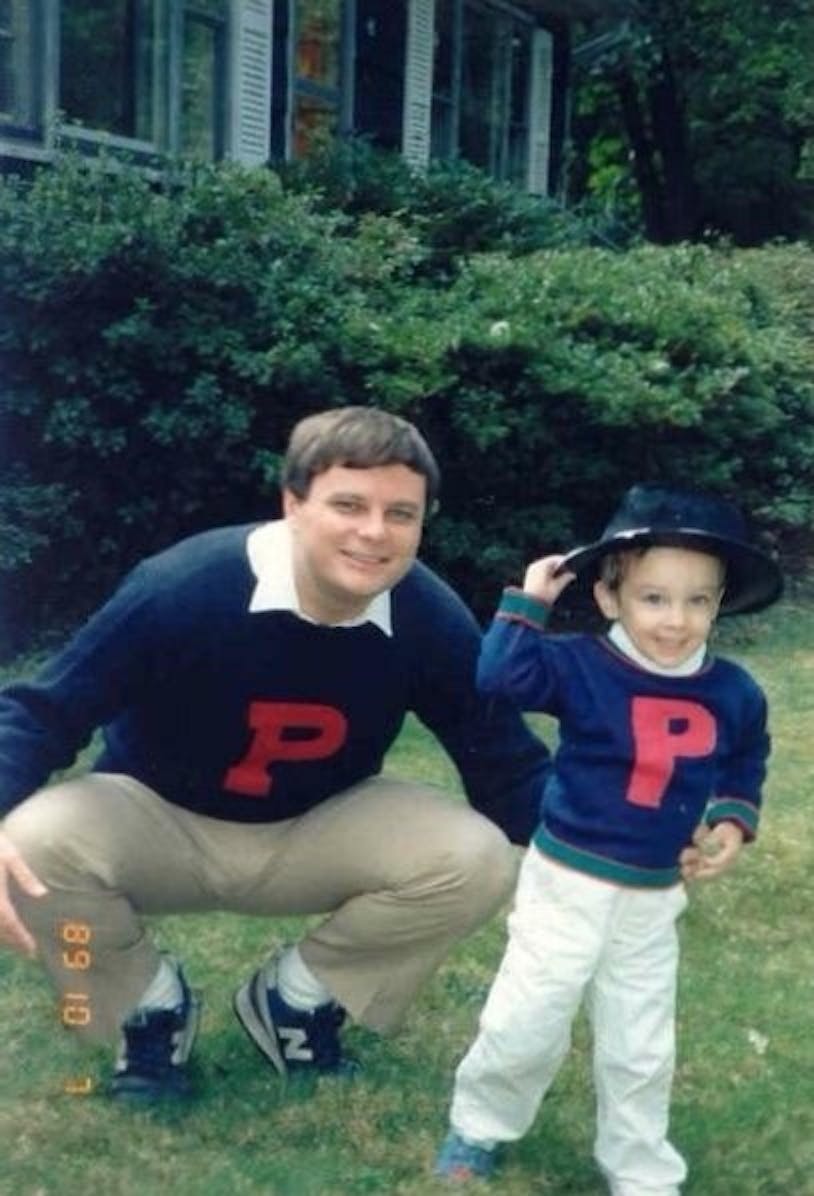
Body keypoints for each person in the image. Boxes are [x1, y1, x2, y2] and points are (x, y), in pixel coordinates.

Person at [0, 405, 550, 1101]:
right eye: (348, 504)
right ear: (293, 503)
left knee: (473, 857)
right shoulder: (184, 588)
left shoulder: (425, 616)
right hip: (156, 818)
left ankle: (296, 998)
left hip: (315, 826)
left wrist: (625, 840)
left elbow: (506, 763)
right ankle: (147, 1008)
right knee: (28, 843)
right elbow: (45, 710)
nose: (374, 532)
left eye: (400, 514)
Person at [435, 483, 783, 1195]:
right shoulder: (578, 665)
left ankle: (639, 1166)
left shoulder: (734, 691)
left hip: (654, 895)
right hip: (567, 882)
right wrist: (530, 600)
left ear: (720, 604)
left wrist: (730, 818)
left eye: (699, 600)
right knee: (529, 1016)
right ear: (608, 598)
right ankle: (481, 1125)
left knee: (641, 1042)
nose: (676, 620)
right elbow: (497, 676)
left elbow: (746, 754)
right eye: (654, 598)